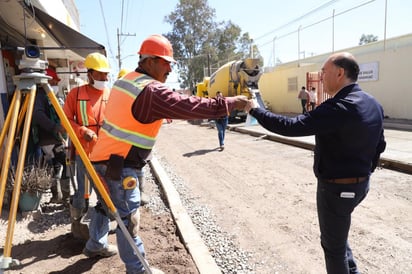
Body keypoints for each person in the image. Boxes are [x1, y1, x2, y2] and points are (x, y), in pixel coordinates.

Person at [86, 34, 248, 274]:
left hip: (102, 159)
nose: (170, 69)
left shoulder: (125, 82)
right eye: (166, 62)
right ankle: (138, 270)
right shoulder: (151, 91)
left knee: (106, 208)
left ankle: (94, 245)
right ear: (149, 61)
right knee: (129, 220)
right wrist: (231, 102)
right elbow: (192, 106)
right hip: (119, 166)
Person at [245, 52, 386, 274]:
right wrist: (365, 172)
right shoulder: (373, 104)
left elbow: (290, 126)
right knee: (338, 237)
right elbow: (380, 144)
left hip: (337, 189)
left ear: (340, 73)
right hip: (360, 186)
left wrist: (254, 110)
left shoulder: (338, 107)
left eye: (324, 72)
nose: (321, 77)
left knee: (334, 249)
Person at [63, 52, 112, 241]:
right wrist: (82, 130)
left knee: (106, 194)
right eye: (100, 74)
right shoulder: (76, 94)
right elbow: (65, 119)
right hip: (84, 154)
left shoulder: (110, 94)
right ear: (90, 74)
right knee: (83, 193)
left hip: (105, 154)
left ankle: (99, 238)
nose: (104, 78)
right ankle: (77, 225)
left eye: (106, 74)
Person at [32, 67, 68, 202]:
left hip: (54, 138)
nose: (55, 85)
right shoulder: (40, 96)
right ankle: (63, 196)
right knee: (62, 164)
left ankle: (59, 196)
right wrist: (55, 127)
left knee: (57, 166)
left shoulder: (49, 96)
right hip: (48, 139)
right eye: (53, 83)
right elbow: (38, 115)